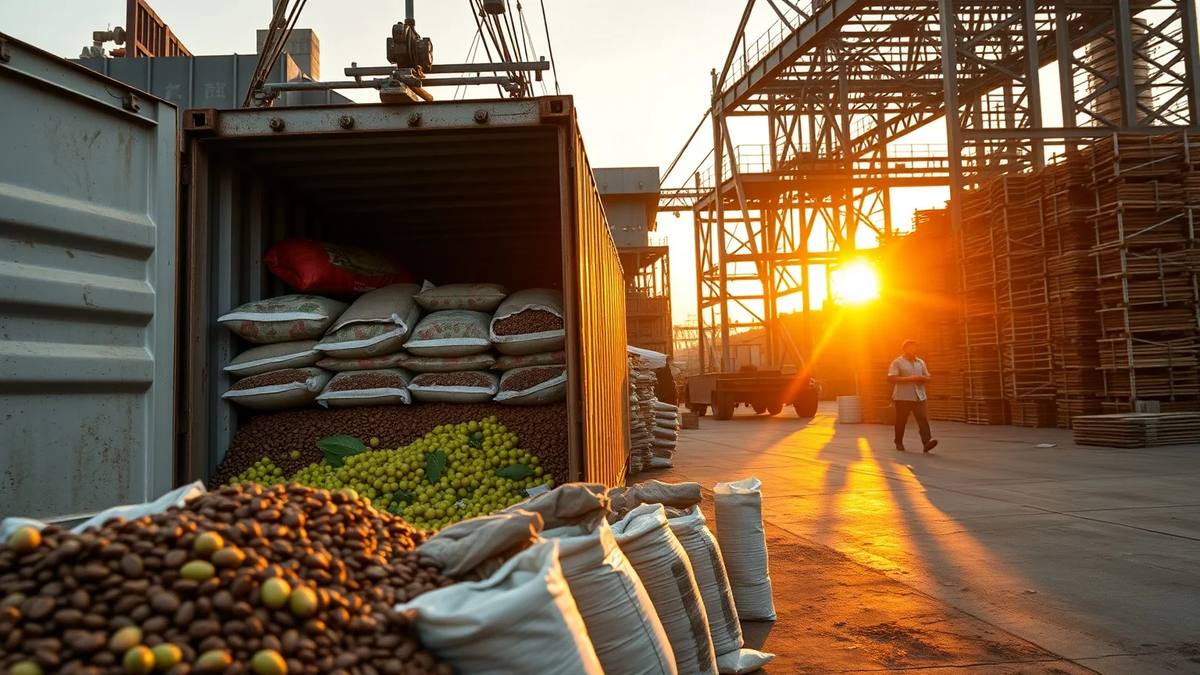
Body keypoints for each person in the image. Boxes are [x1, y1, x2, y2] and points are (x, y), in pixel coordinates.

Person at [887, 340, 938, 453]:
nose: (913, 350)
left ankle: (926, 442)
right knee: (901, 420)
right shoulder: (897, 362)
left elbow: (928, 376)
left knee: (922, 419)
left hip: (919, 396)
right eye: (910, 347)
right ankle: (898, 441)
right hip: (903, 397)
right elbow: (892, 378)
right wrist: (910, 379)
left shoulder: (920, 362)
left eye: (914, 347)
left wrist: (922, 378)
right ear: (904, 349)